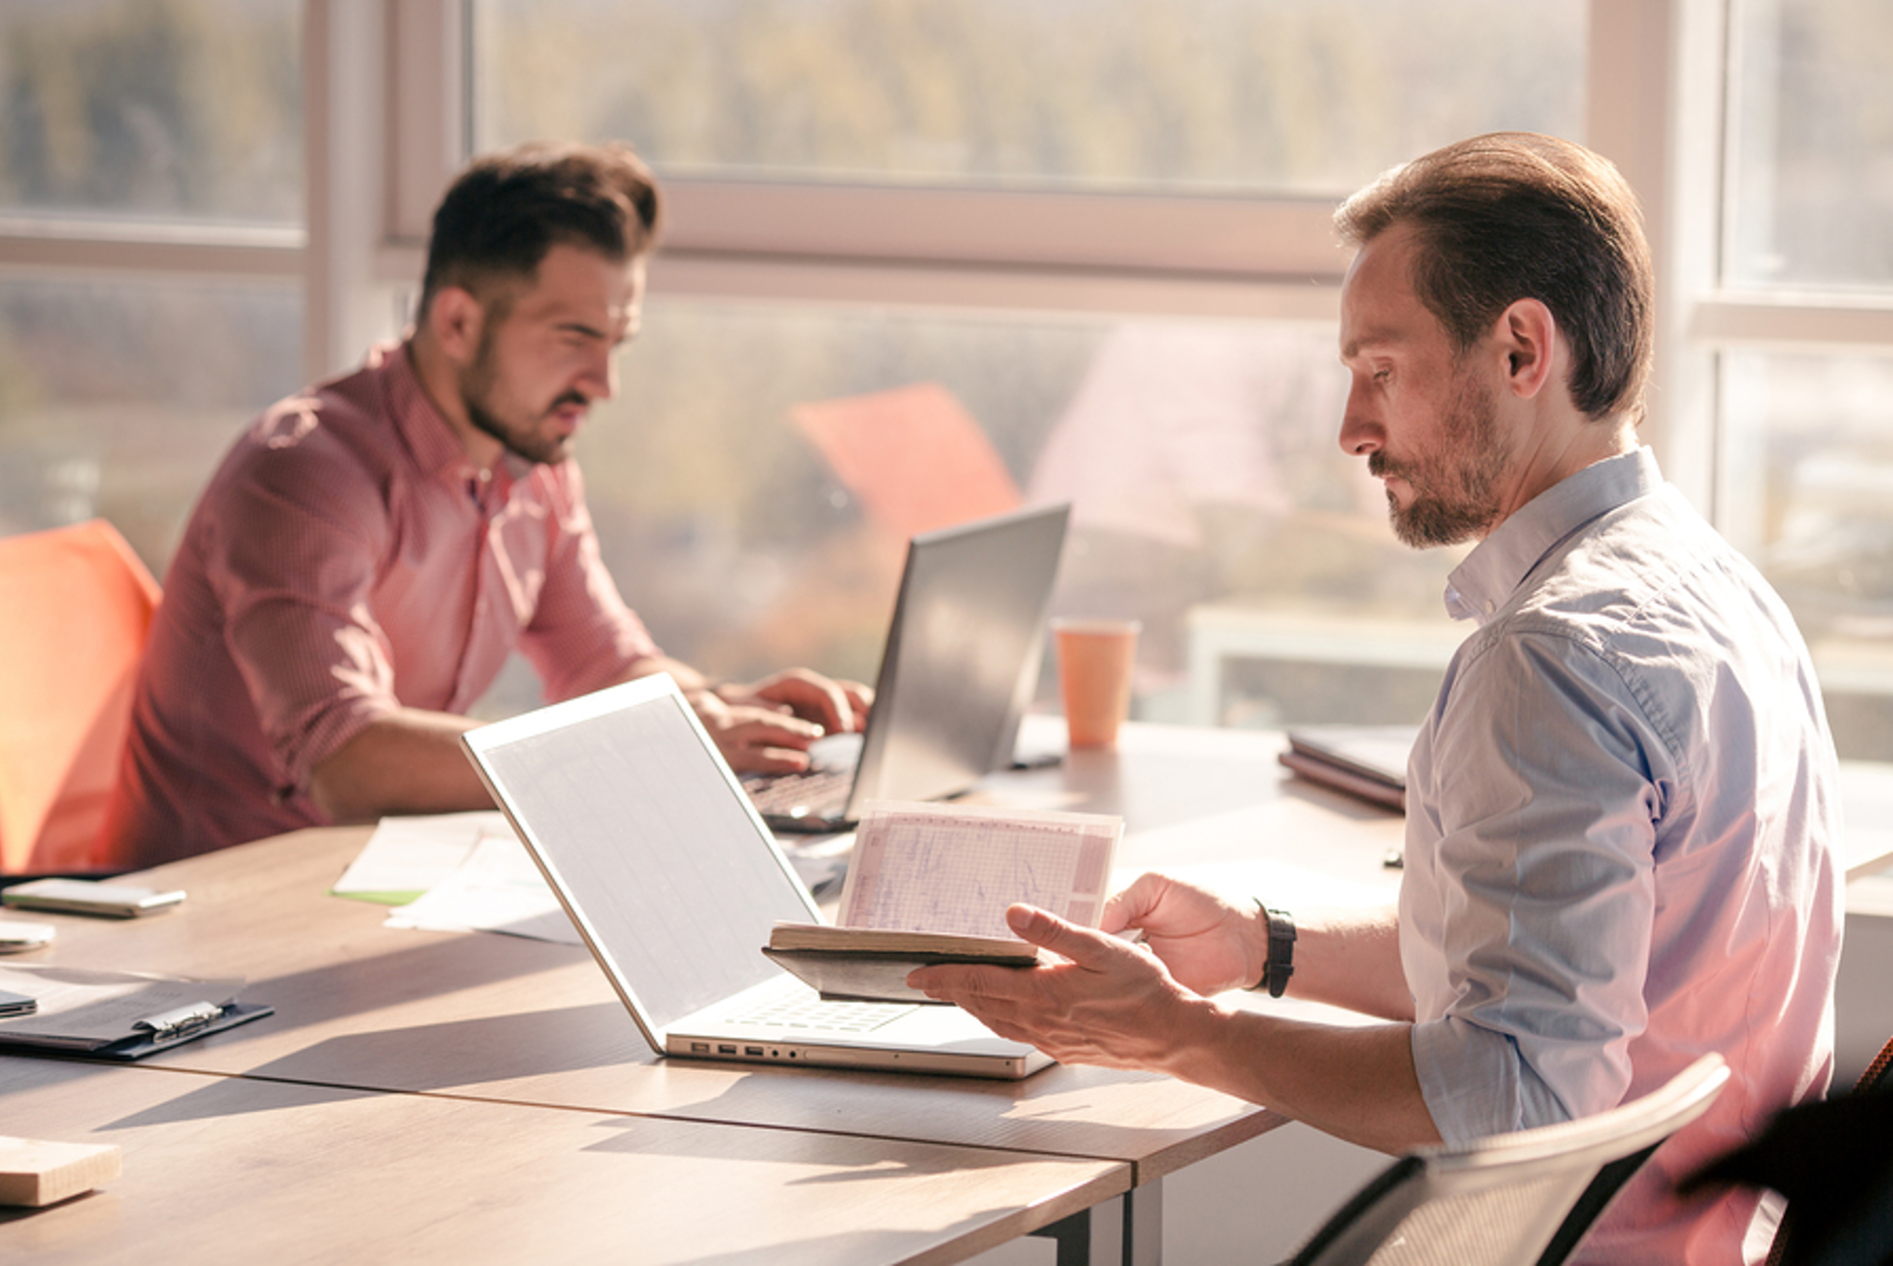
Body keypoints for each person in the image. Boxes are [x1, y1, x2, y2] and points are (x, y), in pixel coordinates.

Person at [910, 132, 1843, 1264]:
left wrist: (1182, 1036)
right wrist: (1263, 945)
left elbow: (1524, 1089)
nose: (1352, 428)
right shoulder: (1717, 590)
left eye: (1381, 371)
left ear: (1518, 349)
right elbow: (1549, 972)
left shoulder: (1551, 659)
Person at [110, 141, 868, 867]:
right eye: (573, 336)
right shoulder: (302, 476)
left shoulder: (534, 466)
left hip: (379, 884)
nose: (603, 383)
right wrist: (633, 747)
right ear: (458, 322)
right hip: (211, 923)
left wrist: (723, 712)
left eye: (617, 341)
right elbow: (345, 761)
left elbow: (604, 662)